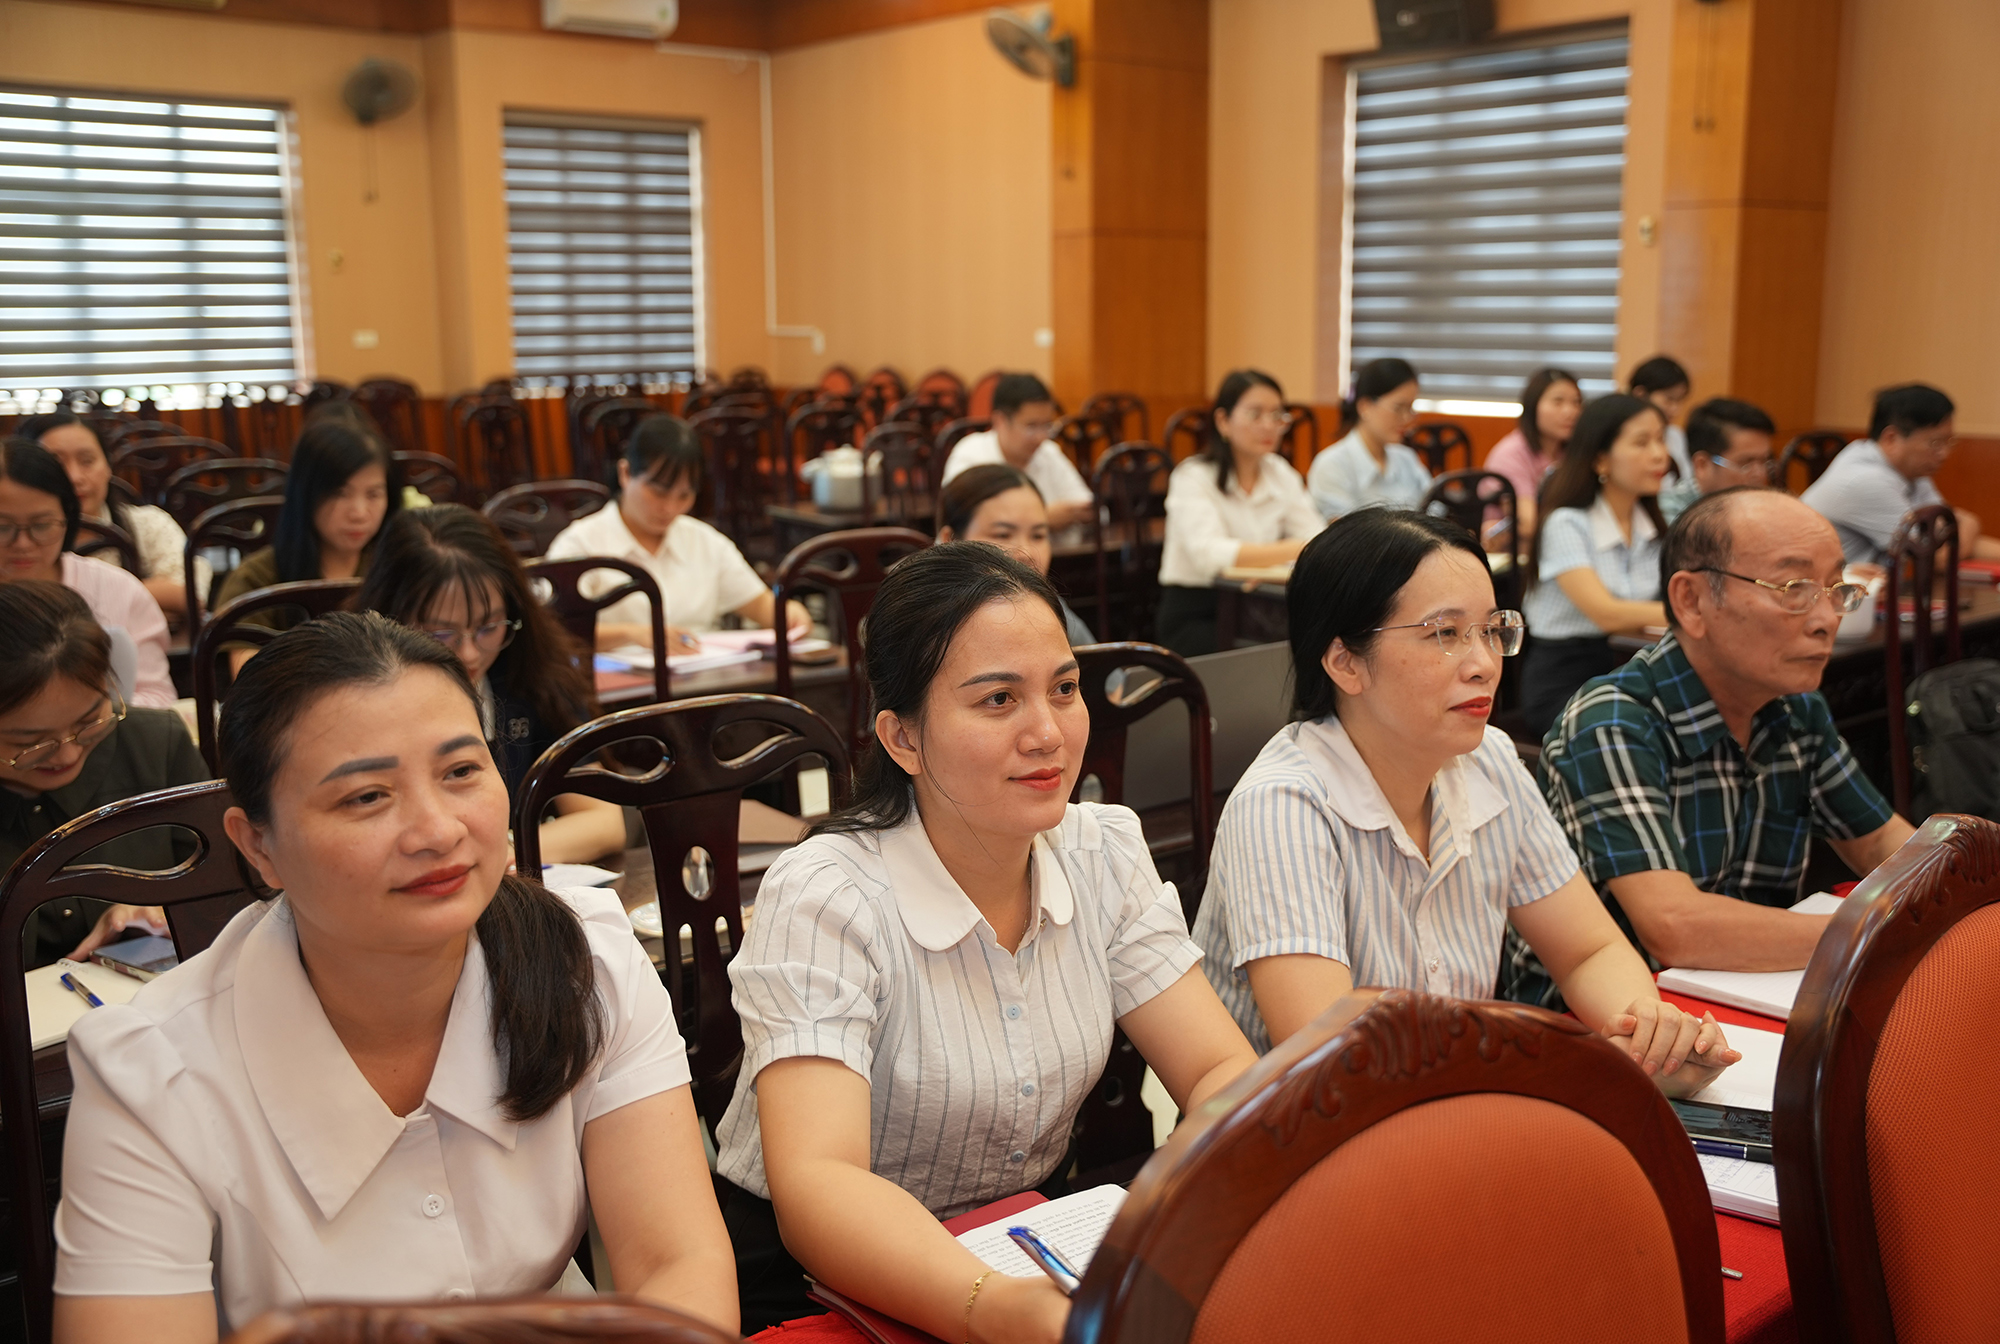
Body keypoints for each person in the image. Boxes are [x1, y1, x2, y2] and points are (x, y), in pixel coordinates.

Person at [52, 612, 737, 1340]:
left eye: (461, 772)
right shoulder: (150, 1074)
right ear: (258, 845)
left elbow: (677, 1268)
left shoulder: (586, 961)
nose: (439, 830)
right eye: (366, 797)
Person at [713, 542, 1255, 1339]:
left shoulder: (1103, 849)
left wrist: (1188, 1219)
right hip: (824, 1282)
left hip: (1032, 1242)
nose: (1048, 733)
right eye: (999, 699)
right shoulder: (827, 894)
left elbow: (1218, 1069)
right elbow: (820, 1181)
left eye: (1064, 689)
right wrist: (988, 1306)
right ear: (902, 739)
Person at [1190, 512, 1738, 1095]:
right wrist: (1538, 1068)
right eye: (1444, 634)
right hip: (1306, 1130)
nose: (1485, 664)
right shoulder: (1282, 806)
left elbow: (1587, 951)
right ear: (1345, 662)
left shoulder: (1489, 760)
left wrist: (1648, 1033)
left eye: (1491, 630)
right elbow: (1328, 1060)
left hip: (1455, 1102)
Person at [1502, 490, 1916, 1007]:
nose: (1826, 618)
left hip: (1746, 991)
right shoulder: (1612, 721)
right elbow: (1676, 928)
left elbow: (1885, 846)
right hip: (1601, 1023)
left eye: (1837, 589)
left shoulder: (1794, 708)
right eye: (1794, 588)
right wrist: (1874, 930)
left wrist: (1949, 889)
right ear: (1691, 601)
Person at [354, 506, 627, 865]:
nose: (469, 652)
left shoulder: (529, 676)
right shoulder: (356, 703)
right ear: (391, 616)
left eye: (488, 627)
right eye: (441, 632)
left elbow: (604, 823)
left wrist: (497, 853)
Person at [0, 582, 205, 967]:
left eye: (89, 721)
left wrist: (161, 912)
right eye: (31, 743)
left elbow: (228, 892)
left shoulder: (156, 745)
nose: (68, 752)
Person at [546, 414, 808, 652]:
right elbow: (551, 631)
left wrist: (789, 613)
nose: (670, 508)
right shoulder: (581, 544)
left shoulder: (704, 541)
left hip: (702, 678)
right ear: (625, 473)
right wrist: (631, 634)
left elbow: (759, 605)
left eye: (684, 496)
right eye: (659, 492)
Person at [1518, 394, 1671, 738]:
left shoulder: (1652, 523)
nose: (1660, 454)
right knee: (1638, 733)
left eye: (1661, 439)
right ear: (1601, 459)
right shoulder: (1567, 523)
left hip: (1632, 667)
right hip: (1566, 677)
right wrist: (1689, 613)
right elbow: (1606, 614)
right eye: (1642, 442)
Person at [1155, 370, 1323, 656]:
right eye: (1255, 414)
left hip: (1264, 602)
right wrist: (1292, 550)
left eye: (1277, 416)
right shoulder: (1193, 476)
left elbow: (1317, 539)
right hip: (1199, 612)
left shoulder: (1280, 472)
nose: (1268, 426)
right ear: (1223, 421)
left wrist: (1268, 568)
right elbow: (1210, 555)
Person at [211, 416, 401, 669]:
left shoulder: (395, 568)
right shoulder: (256, 578)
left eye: (374, 494)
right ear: (305, 494)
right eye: (340, 493)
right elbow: (248, 675)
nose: (359, 512)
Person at [0, 438, 175, 707]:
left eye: (42, 525)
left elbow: (158, 698)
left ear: (67, 519)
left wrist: (90, 715)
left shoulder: (118, 590)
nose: (23, 543)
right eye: (3, 528)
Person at [20, 411, 206, 621]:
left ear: (108, 467)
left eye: (87, 461)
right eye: (57, 465)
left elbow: (188, 596)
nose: (74, 477)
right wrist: (141, 601)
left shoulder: (147, 524)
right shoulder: (19, 539)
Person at [1800, 383, 2000, 564]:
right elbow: (1937, 558)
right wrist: (1971, 522)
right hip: (1823, 589)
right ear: (1891, 438)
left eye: (1948, 442)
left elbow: (1947, 538)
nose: (1944, 454)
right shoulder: (1866, 481)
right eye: (1935, 443)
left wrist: (1963, 527)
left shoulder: (1912, 471)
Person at [935, 463, 1095, 644]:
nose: (1026, 553)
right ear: (950, 541)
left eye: (1038, 535)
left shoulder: (1048, 610)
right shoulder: (924, 620)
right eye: (1003, 535)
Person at [937, 373, 1094, 534]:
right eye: (1031, 426)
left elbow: (1089, 506)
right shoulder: (970, 454)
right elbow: (959, 524)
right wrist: (1044, 518)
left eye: (1047, 425)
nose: (1041, 437)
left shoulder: (1048, 452)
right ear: (1000, 421)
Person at [1306, 357, 1430, 520]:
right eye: (1398, 408)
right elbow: (1345, 531)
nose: (1406, 418)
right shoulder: (1332, 465)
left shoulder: (1406, 459)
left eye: (1410, 408)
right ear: (1365, 406)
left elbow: (1435, 510)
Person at [1483, 367, 1583, 544]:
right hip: (1514, 553)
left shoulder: (1571, 451)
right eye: (1558, 402)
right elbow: (1528, 524)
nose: (1570, 411)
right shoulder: (1510, 454)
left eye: (1576, 402)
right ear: (1533, 406)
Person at [1658, 398, 1776, 523]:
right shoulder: (1668, 517)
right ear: (1702, 465)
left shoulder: (1765, 508)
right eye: (1746, 463)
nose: (1760, 474)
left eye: (1765, 461)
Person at [1627, 355, 1693, 480]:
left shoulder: (1675, 436)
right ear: (1640, 394)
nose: (1675, 409)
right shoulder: (1620, 435)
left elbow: (1684, 482)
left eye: (1679, 400)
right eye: (1669, 399)